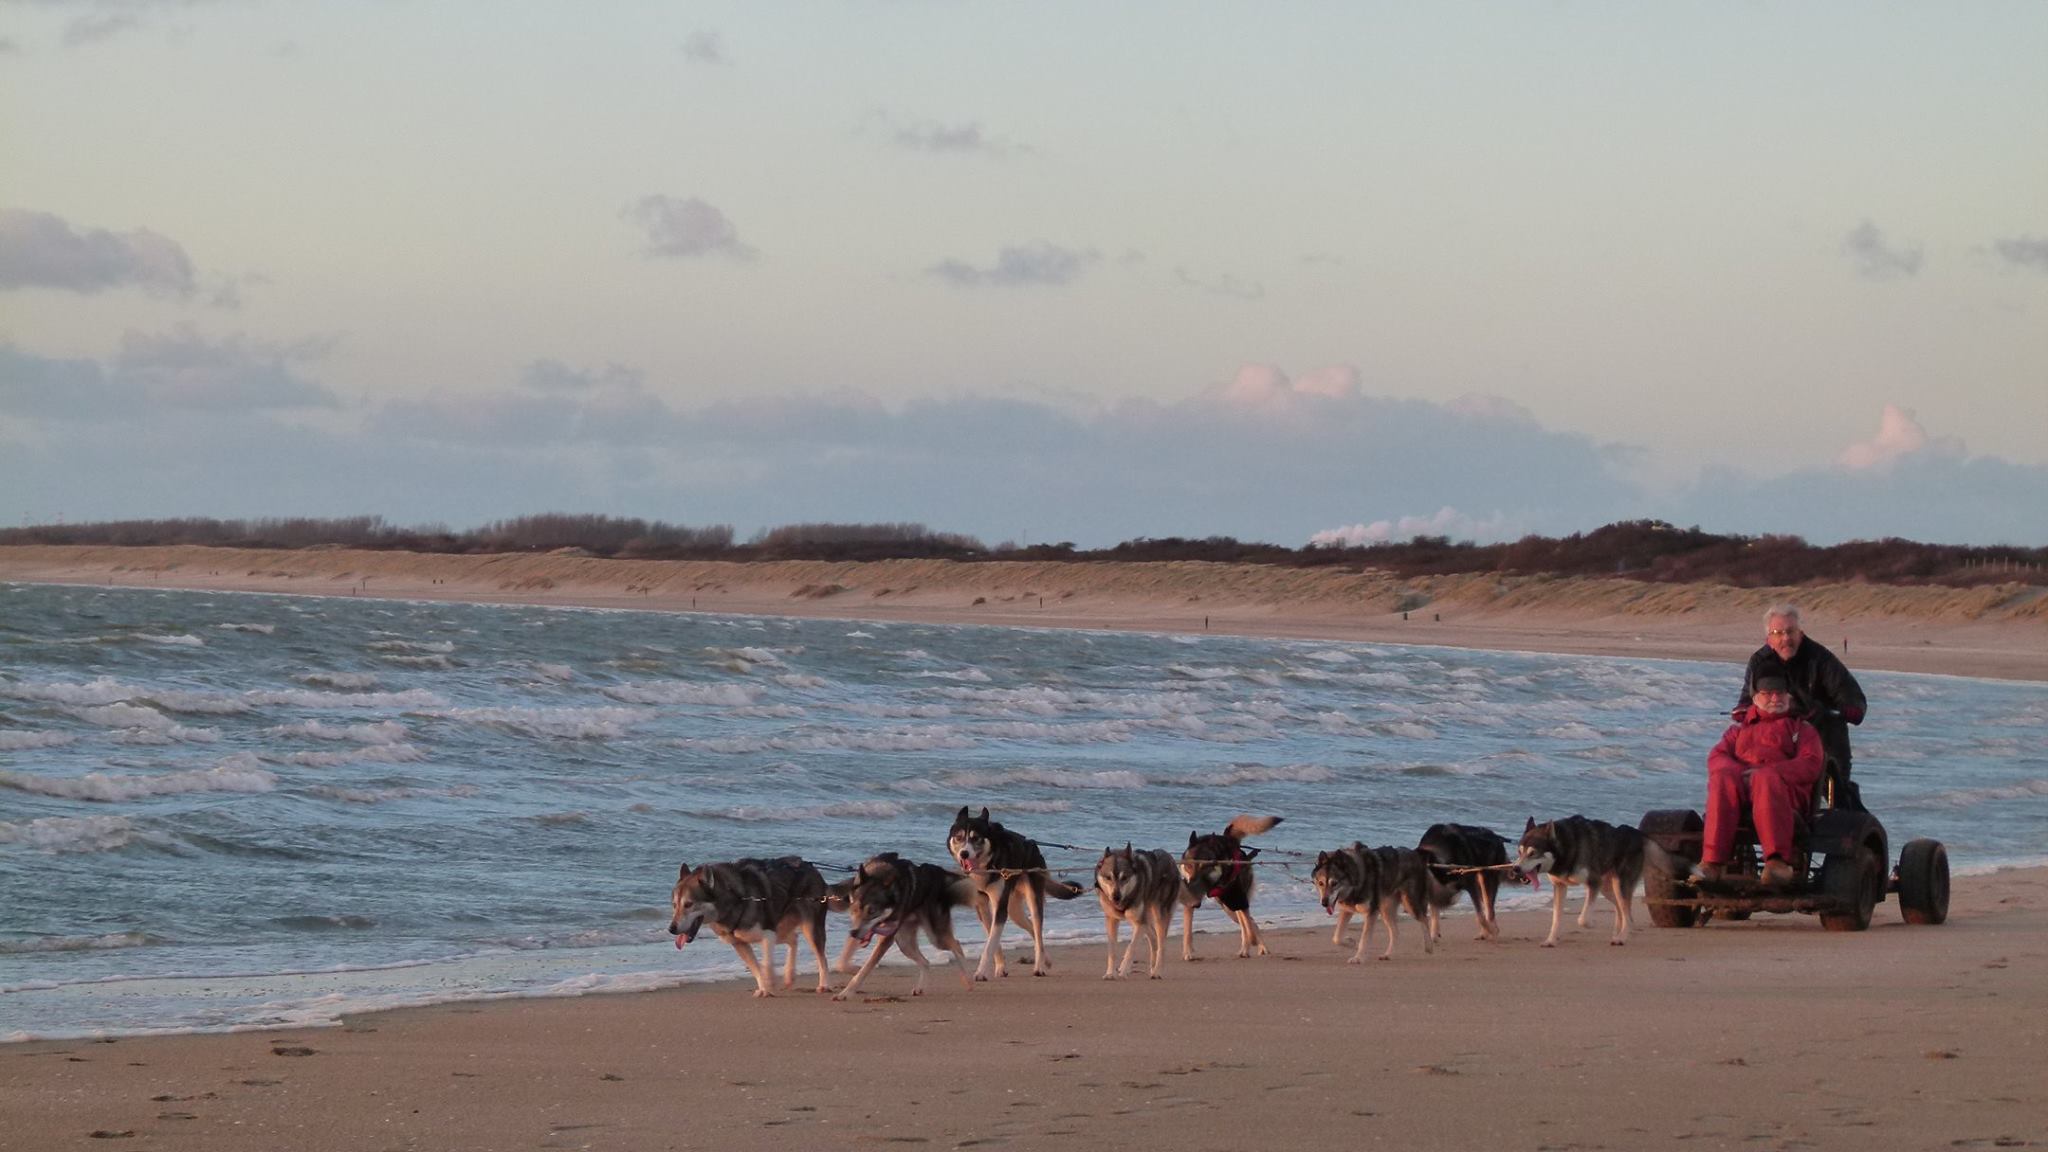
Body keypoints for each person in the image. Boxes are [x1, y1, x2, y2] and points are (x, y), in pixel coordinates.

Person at [1693, 674, 1824, 888]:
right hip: (1741, 791)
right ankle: (1712, 862)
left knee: (1766, 778)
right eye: (1767, 694)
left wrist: (1770, 771)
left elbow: (1810, 764)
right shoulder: (1738, 731)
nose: (1774, 699)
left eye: (1779, 693)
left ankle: (1776, 862)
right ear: (1755, 698)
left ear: (1788, 697)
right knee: (1722, 778)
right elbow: (1716, 757)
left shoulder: (1803, 730)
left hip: (1785, 795)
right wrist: (1739, 772)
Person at [1736, 603, 1867, 806]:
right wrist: (1743, 711)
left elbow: (1852, 696)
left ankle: (1853, 818)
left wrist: (1846, 710)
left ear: (1801, 633)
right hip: (1779, 741)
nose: (1785, 638)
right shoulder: (1759, 662)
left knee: (1839, 798)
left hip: (1825, 739)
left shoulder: (1821, 658)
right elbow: (1746, 699)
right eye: (1778, 633)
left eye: (1791, 631)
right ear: (1769, 639)